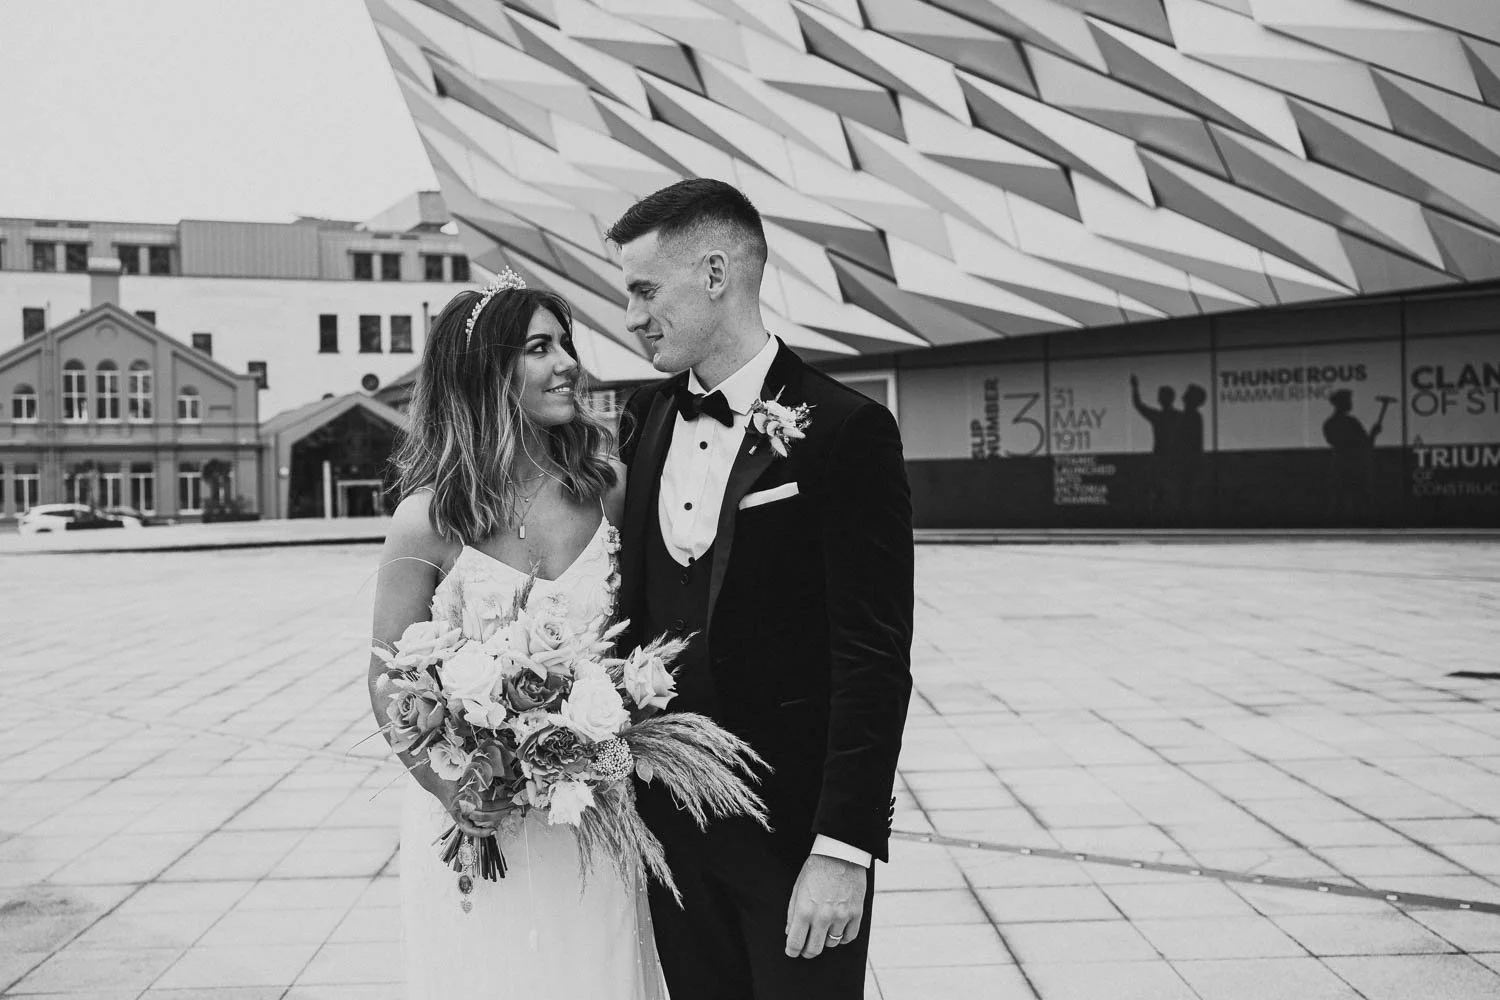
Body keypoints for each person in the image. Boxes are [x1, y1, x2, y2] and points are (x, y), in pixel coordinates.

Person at [610, 179, 915, 1000]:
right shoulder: (640, 421)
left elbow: (874, 658)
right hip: (666, 834)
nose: (630, 316)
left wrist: (843, 850)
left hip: (792, 842)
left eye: (644, 290)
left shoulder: (846, 431)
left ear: (715, 274)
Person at [366, 276, 665, 999]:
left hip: (597, 811)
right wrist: (453, 789)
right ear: (486, 374)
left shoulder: (610, 488)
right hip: (480, 820)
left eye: (565, 343)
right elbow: (385, 678)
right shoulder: (427, 519)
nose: (568, 362)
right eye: (540, 347)